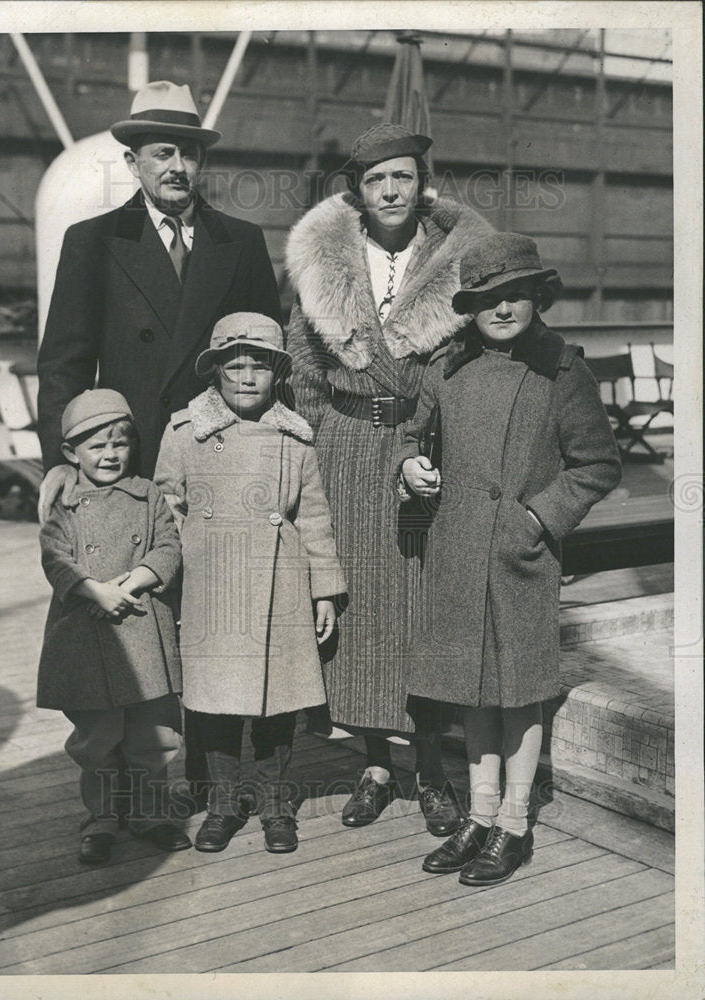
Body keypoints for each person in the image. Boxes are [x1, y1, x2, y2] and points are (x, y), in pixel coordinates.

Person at [37, 80, 282, 803]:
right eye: (162, 153)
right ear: (134, 162)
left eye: (188, 154)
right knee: (128, 620)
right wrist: (62, 463)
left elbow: (268, 357)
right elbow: (64, 362)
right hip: (127, 468)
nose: (177, 166)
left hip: (220, 457)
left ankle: (209, 773)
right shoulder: (94, 241)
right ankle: (119, 794)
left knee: (213, 608)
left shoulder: (241, 241)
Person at [285, 122, 492, 834]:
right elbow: (304, 372)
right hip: (345, 449)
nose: (391, 190)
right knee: (362, 611)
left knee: (423, 610)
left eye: (402, 176)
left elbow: (475, 357)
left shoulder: (458, 258)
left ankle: (432, 770)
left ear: (421, 183)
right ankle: (374, 765)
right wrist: (311, 453)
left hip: (428, 444)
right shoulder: (325, 265)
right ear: (358, 192)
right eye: (376, 180)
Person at [397, 232, 622, 886]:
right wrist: (409, 466)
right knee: (473, 690)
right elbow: (410, 433)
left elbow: (597, 464)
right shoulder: (447, 368)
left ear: (537, 298)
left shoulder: (561, 370)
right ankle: (481, 813)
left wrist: (535, 519)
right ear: (469, 307)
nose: (501, 309)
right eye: (487, 299)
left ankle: (515, 824)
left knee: (519, 693)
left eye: (516, 295)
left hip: (521, 557)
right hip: (457, 551)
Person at [154, 312, 347, 854]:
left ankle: (275, 805)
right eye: (234, 366)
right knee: (215, 702)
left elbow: (314, 517)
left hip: (280, 585)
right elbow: (166, 507)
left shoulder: (293, 436)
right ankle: (221, 804)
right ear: (215, 370)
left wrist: (324, 589)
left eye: (258, 367)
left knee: (277, 702)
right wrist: (174, 579)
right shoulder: (185, 431)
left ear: (277, 374)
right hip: (213, 586)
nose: (245, 378)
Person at [37, 389, 190, 865]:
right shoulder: (65, 503)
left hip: (143, 626)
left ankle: (150, 814)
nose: (109, 455)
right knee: (97, 739)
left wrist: (131, 582)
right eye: (96, 446)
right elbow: (55, 558)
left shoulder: (148, 495)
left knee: (154, 736)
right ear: (71, 453)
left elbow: (168, 547)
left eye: (119, 444)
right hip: (85, 632)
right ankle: (101, 819)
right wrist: (96, 591)